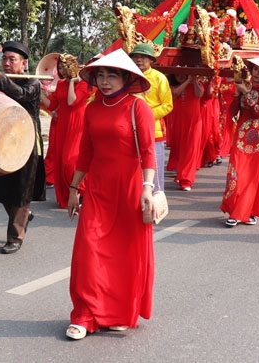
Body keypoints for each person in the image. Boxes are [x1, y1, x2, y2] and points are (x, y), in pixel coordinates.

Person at [66, 49, 156, 340]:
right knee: (89, 249)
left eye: (112, 75)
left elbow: (148, 153)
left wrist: (147, 189)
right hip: (97, 189)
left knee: (123, 255)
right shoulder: (91, 108)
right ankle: (83, 314)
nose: (104, 81)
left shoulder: (138, 108)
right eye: (100, 75)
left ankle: (117, 313)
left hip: (129, 190)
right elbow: (86, 152)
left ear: (126, 78)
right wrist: (73, 189)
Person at [0, 41, 46, 254]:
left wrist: (0, 77)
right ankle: (24, 215)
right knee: (3, 188)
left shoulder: (33, 83)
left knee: (22, 189)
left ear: (24, 63)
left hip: (26, 141)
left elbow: (20, 94)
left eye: (12, 60)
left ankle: (15, 237)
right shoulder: (4, 81)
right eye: (4, 59)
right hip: (5, 140)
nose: (6, 63)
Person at [220, 57, 259, 227]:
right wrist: (237, 94)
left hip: (258, 137)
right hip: (241, 135)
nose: (257, 73)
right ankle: (237, 208)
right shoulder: (245, 86)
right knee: (237, 171)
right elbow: (231, 112)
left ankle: (245, 211)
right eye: (255, 69)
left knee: (252, 176)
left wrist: (245, 92)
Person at [46, 54, 89, 208]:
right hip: (63, 126)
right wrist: (38, 90)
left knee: (70, 161)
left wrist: (72, 82)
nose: (62, 71)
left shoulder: (84, 84)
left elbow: (72, 101)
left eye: (65, 67)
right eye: (60, 68)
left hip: (78, 126)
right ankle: (66, 195)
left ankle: (81, 192)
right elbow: (51, 105)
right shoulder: (60, 84)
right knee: (60, 161)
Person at [130, 43, 173, 192]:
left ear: (151, 60)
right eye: (135, 56)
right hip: (130, 129)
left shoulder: (159, 78)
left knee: (154, 167)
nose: (138, 60)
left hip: (154, 130)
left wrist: (145, 116)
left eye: (142, 57)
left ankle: (155, 199)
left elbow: (168, 105)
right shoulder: (128, 76)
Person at [166, 73, 204, 191]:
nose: (180, 76)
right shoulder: (172, 86)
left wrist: (194, 81)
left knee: (191, 150)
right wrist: (187, 81)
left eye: (183, 74)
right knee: (180, 149)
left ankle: (186, 179)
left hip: (194, 122)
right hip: (178, 122)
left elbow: (199, 94)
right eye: (178, 75)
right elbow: (175, 94)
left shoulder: (197, 85)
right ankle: (181, 174)